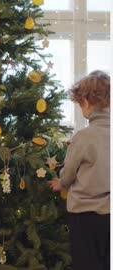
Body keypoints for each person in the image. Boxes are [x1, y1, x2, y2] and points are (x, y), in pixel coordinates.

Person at [48, 70, 110, 270]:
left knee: (87, 264)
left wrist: (61, 183)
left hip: (85, 216)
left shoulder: (84, 137)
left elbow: (69, 172)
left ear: (84, 101)